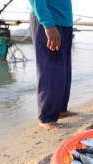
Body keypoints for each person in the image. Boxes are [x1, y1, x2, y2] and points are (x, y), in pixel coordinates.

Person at [29, 0, 77, 129]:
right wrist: (48, 25)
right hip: (49, 21)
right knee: (50, 70)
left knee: (64, 69)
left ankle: (61, 109)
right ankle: (47, 117)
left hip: (64, 21)